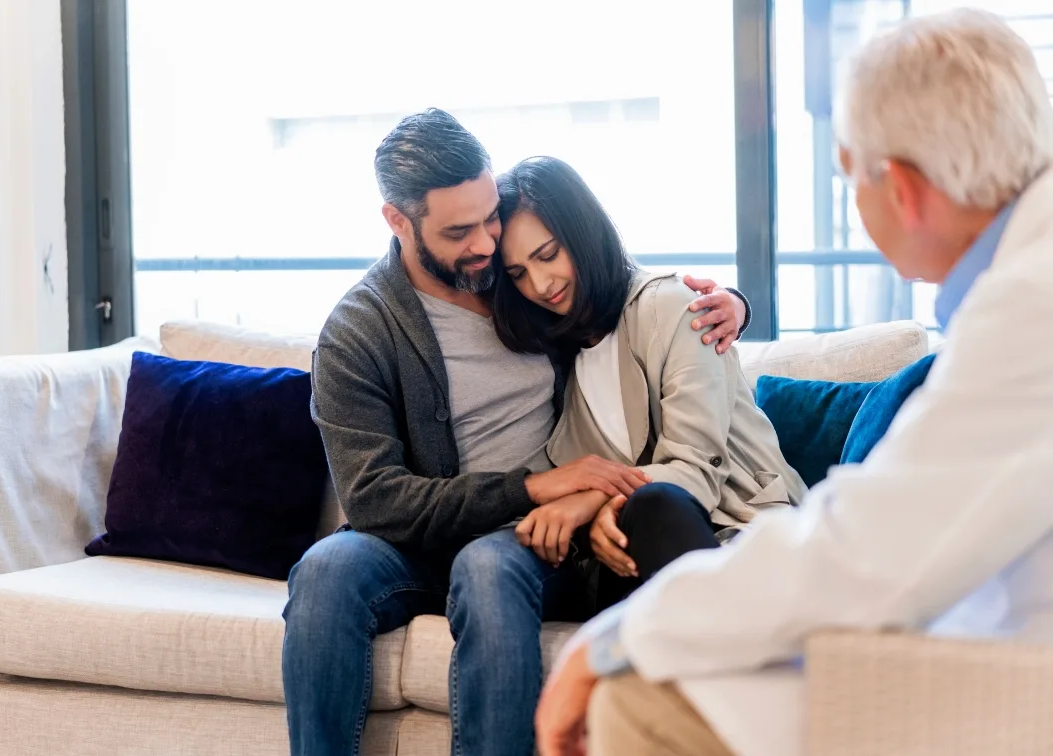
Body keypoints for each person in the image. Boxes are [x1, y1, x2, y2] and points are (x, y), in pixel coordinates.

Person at [534, 9, 1053, 756]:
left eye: (848, 176)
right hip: (984, 637)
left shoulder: (1026, 311)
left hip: (1010, 682)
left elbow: (868, 552)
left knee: (642, 699)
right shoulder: (1018, 283)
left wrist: (618, 636)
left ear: (900, 190)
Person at [281, 108, 753, 756]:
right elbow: (373, 501)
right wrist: (536, 486)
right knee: (325, 570)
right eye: (458, 230)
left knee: (487, 565)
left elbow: (606, 281)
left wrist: (729, 302)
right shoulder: (358, 331)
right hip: (426, 535)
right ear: (397, 220)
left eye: (488, 217)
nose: (483, 243)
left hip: (532, 539)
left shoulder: (513, 275)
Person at [491, 156, 806, 612]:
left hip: (742, 529)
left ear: (583, 233)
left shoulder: (671, 307)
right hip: (638, 559)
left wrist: (593, 500)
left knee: (655, 503)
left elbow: (694, 472)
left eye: (547, 254)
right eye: (518, 273)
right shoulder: (553, 363)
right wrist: (600, 516)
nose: (540, 283)